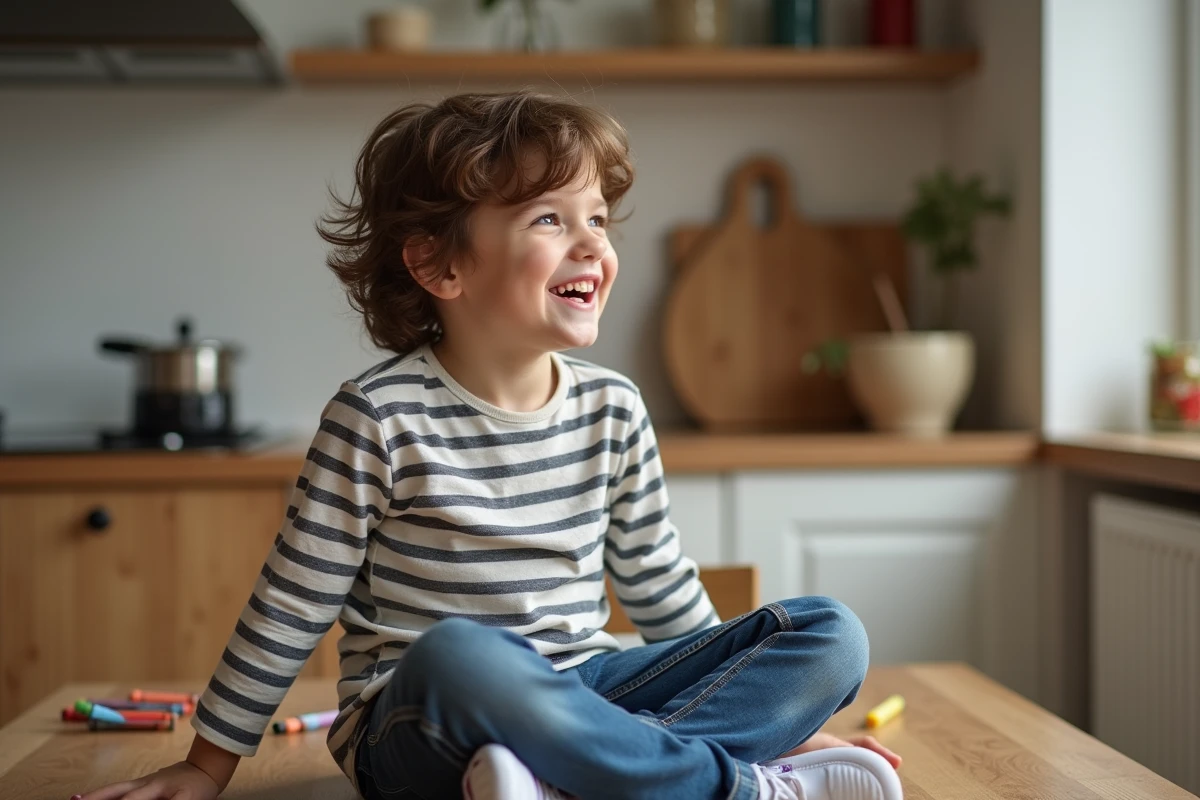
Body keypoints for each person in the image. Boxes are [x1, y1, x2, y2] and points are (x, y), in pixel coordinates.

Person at [75, 90, 903, 800]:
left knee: (831, 634)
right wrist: (206, 768)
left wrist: (781, 716)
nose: (593, 245)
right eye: (549, 218)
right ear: (440, 266)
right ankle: (727, 785)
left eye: (597, 219)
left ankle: (575, 775)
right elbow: (291, 607)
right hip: (419, 719)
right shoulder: (376, 416)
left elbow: (663, 594)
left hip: (588, 691)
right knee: (465, 655)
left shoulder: (615, 408)